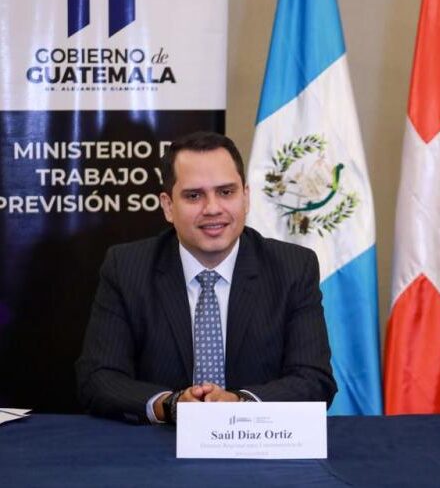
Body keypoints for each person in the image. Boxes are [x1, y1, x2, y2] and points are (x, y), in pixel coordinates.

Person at [76, 131, 337, 424]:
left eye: (226, 192)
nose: (212, 208)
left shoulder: (292, 268)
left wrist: (239, 403)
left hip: (258, 443)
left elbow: (313, 380)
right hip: (160, 445)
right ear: (168, 206)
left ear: (246, 197)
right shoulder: (126, 268)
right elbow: (98, 379)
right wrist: (170, 405)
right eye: (194, 196)